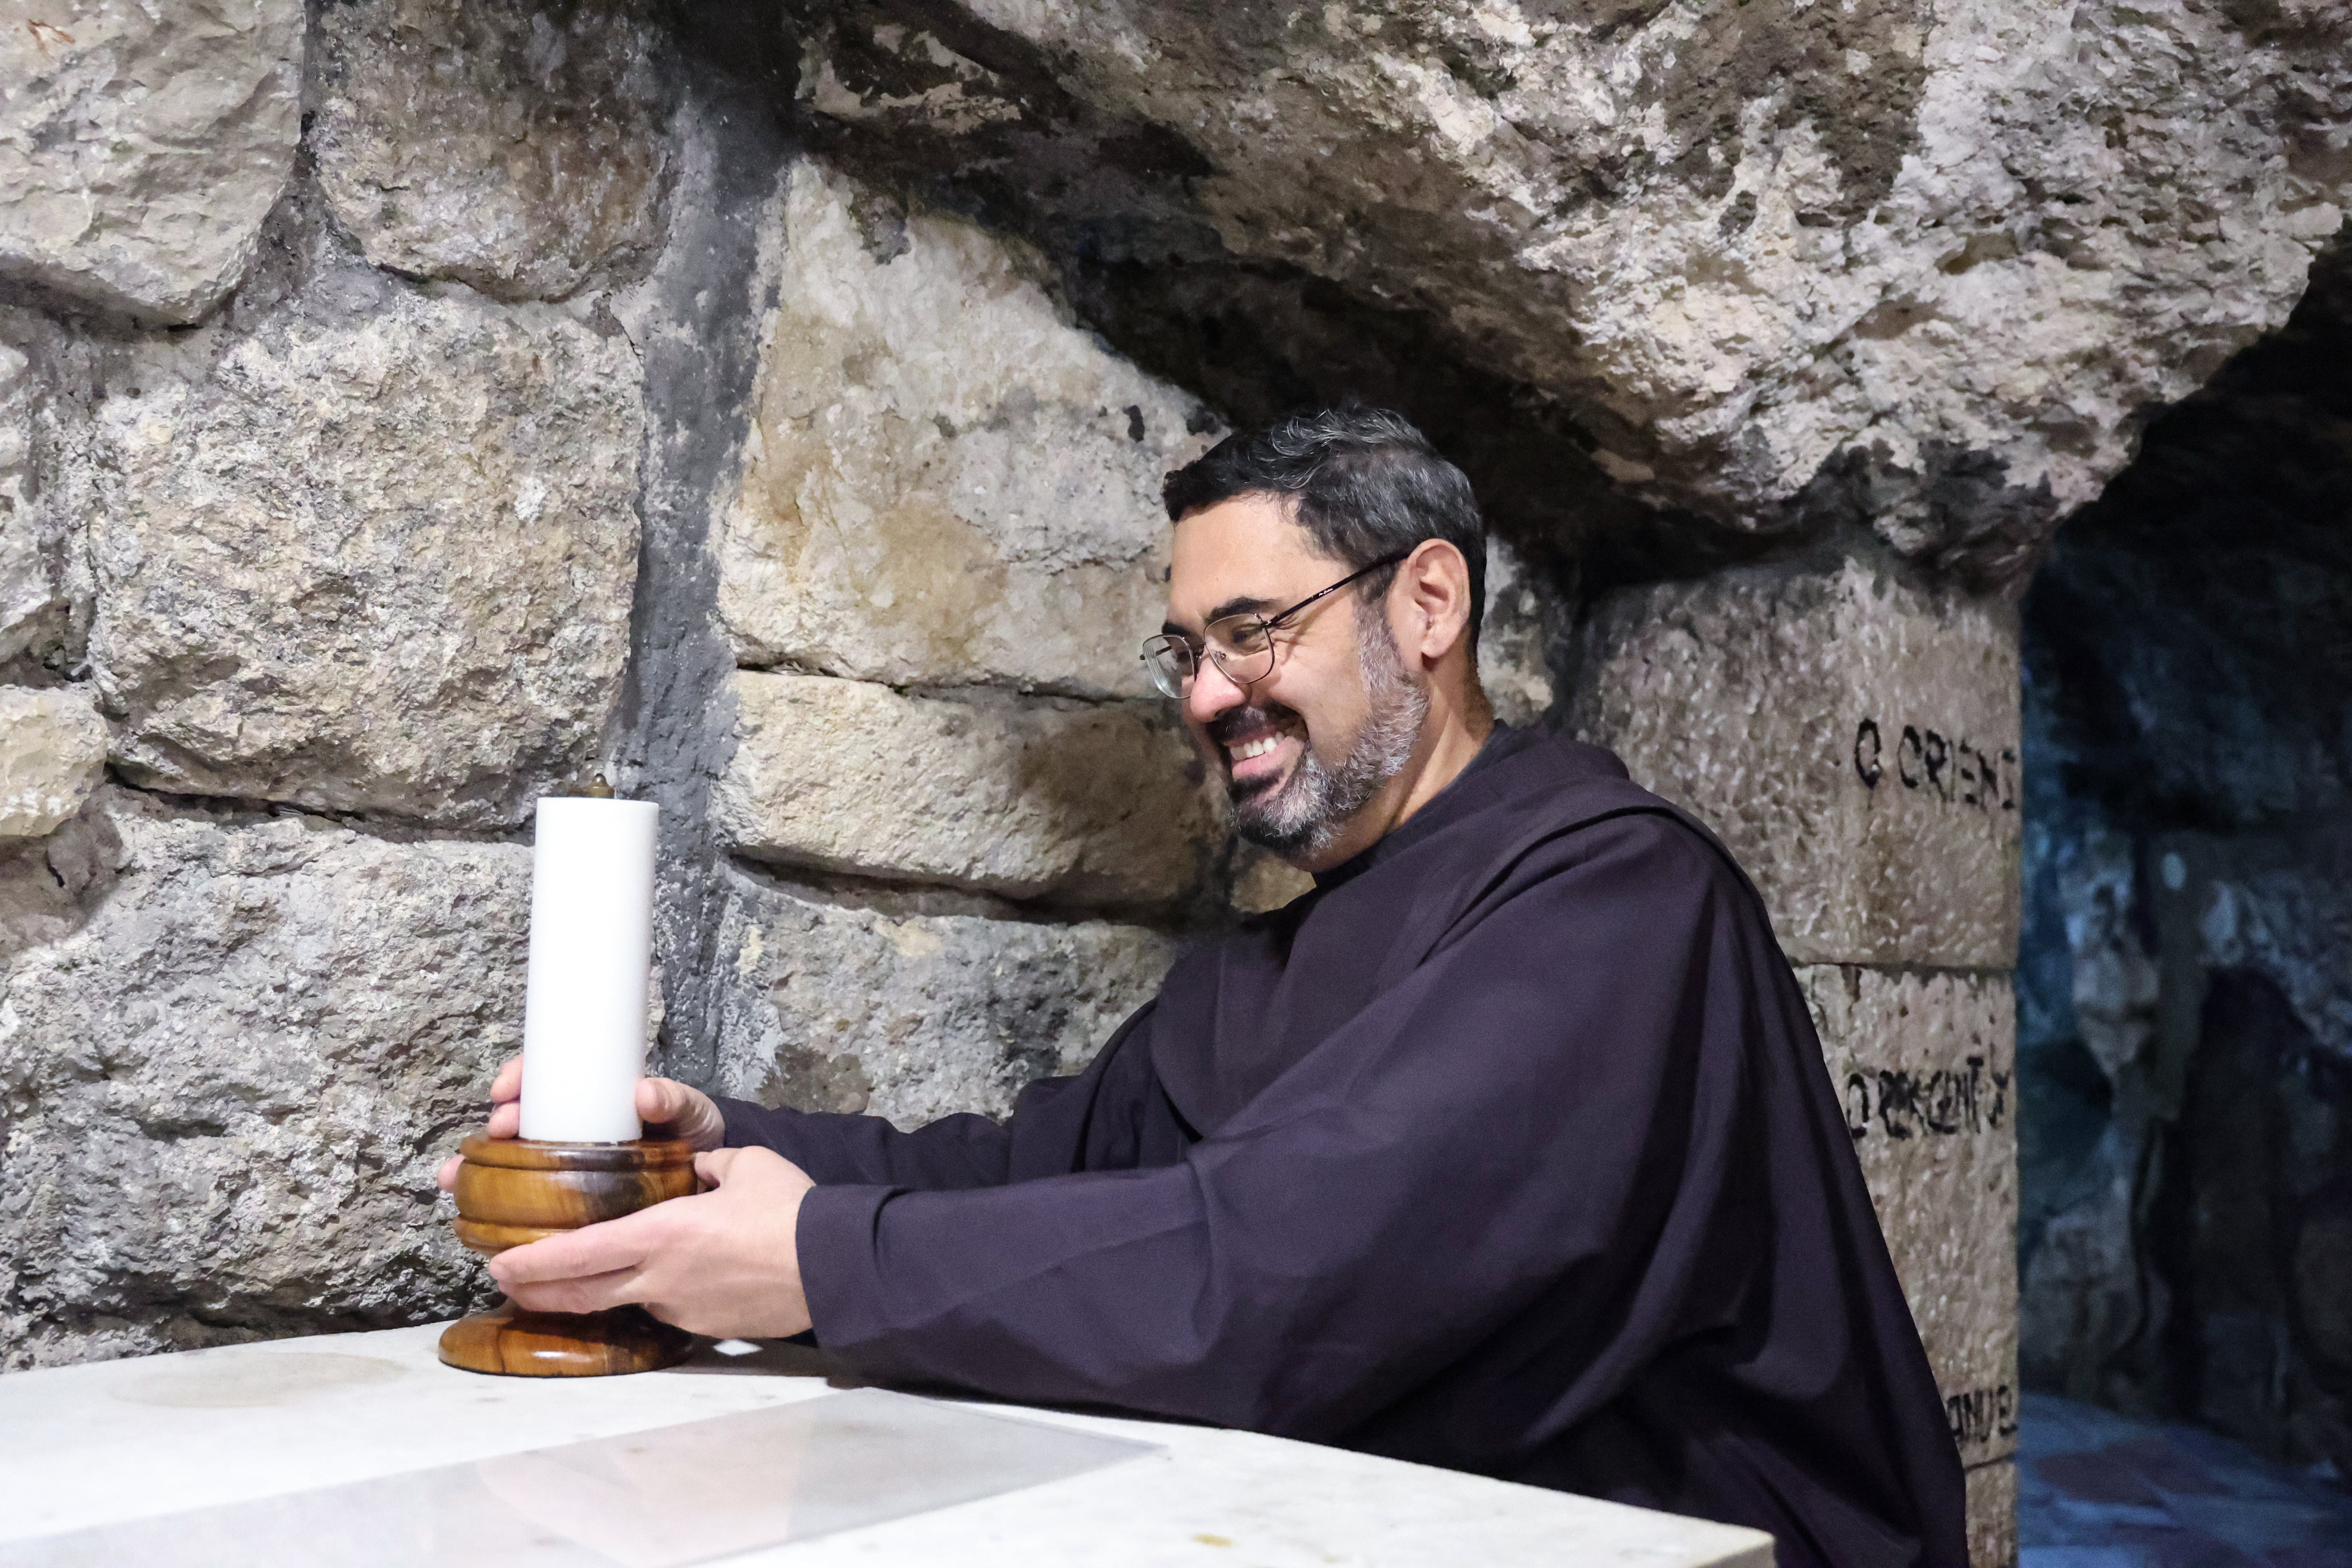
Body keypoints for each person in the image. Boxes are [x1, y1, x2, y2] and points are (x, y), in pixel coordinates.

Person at [442, 405, 1967, 1568]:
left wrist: (824, 1261)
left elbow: (1285, 1279)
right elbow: (1030, 1171)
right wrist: (703, 1150)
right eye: (1185, 649)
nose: (1206, 694)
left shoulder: (1614, 903)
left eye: (1254, 632)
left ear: (1428, 607)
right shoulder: (1276, 960)